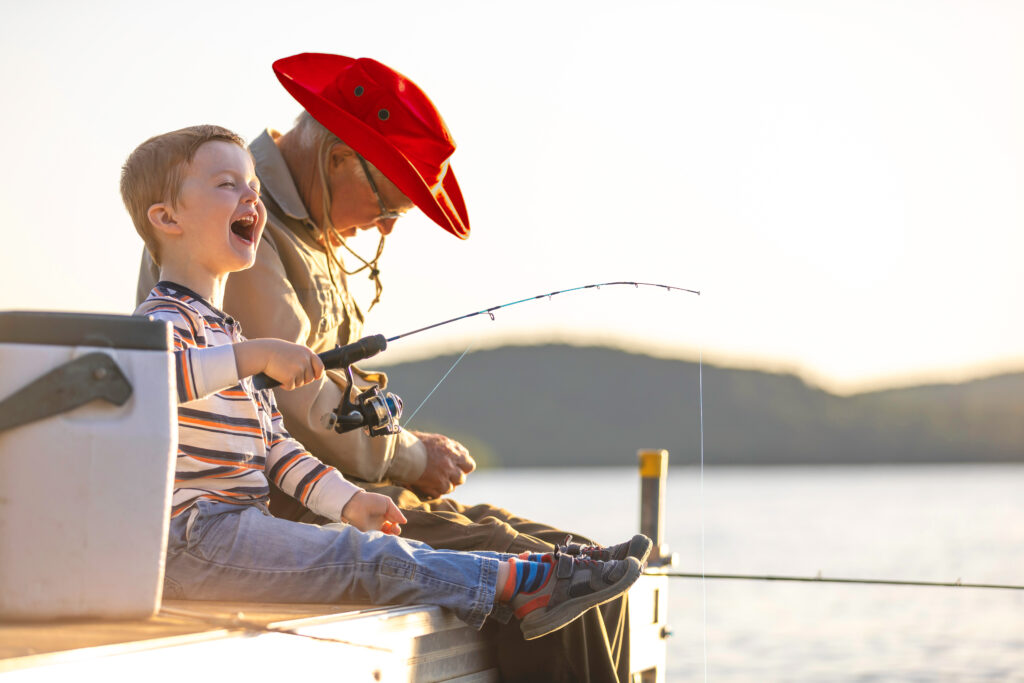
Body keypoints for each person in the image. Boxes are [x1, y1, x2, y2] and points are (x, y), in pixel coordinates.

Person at [137, 54, 649, 681]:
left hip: (333, 490)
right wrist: (407, 458)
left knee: (576, 562)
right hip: (260, 522)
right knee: (536, 573)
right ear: (338, 158)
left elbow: (276, 434)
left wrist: (361, 491)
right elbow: (282, 406)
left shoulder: (265, 234)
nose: (383, 226)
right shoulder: (228, 247)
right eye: (389, 205)